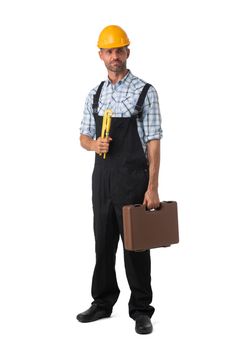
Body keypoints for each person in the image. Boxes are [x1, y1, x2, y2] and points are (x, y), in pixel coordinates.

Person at [76, 25, 163, 335]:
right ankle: (102, 301)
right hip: (102, 180)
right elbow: (84, 137)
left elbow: (153, 141)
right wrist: (93, 144)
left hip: (132, 179)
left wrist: (152, 187)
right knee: (103, 243)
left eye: (119, 50)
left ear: (128, 51)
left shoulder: (144, 91)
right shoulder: (95, 94)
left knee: (136, 247)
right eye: (109, 51)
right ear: (101, 55)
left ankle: (141, 309)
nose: (115, 56)